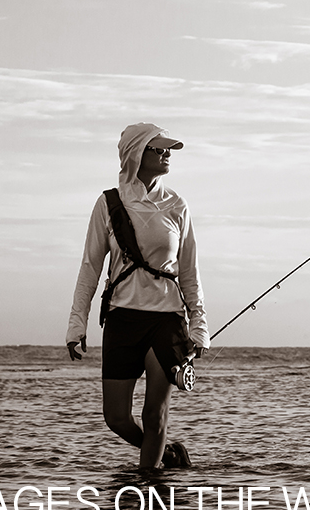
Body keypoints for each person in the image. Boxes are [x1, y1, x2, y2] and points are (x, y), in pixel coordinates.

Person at [66, 122, 209, 470]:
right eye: (157, 149)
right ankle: (168, 456)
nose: (166, 155)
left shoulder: (177, 205)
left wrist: (199, 325)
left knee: (154, 414)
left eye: (168, 149)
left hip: (167, 320)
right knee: (116, 417)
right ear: (135, 154)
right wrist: (76, 323)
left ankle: (149, 484)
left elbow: (189, 271)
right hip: (122, 318)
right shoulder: (109, 204)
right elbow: (90, 267)